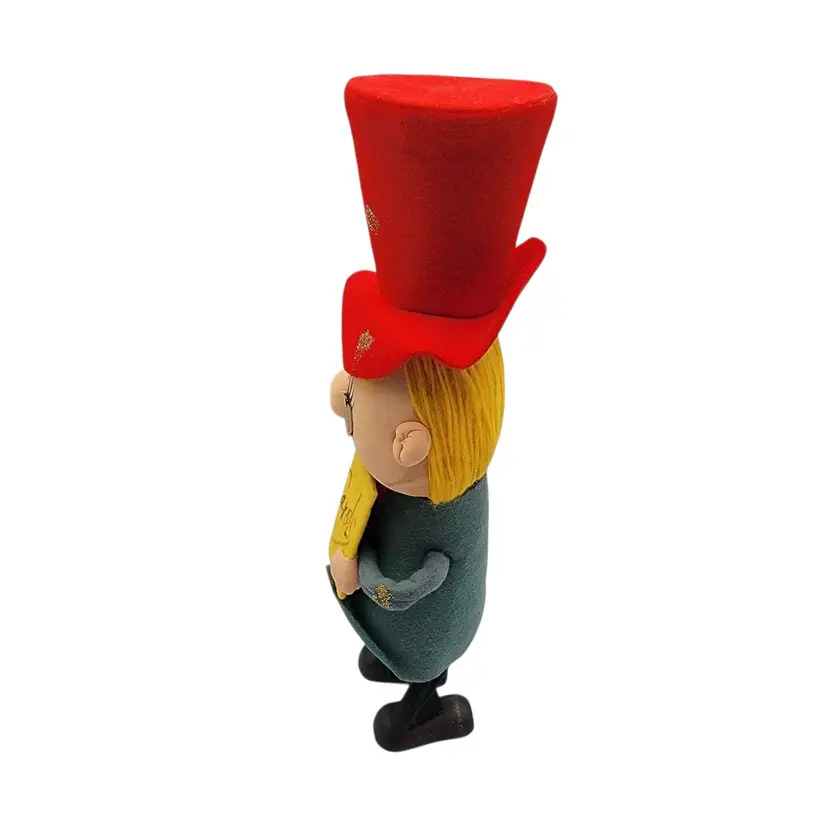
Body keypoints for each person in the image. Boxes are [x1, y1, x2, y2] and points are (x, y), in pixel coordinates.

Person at [326, 74, 557, 751]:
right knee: (395, 635)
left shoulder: (445, 507)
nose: (343, 397)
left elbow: (424, 582)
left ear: (416, 440)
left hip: (429, 622)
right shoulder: (405, 482)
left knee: (422, 649)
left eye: (362, 397)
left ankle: (427, 705)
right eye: (355, 389)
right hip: (392, 596)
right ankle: (393, 652)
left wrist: (370, 581)